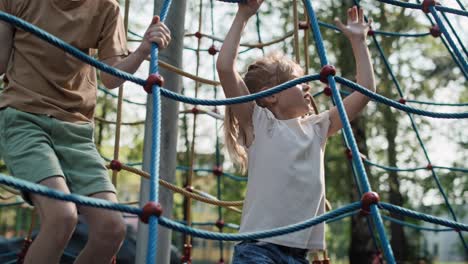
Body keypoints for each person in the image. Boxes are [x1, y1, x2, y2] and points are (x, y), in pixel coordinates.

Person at [0, 0, 171, 263]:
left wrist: (142, 50)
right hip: (25, 118)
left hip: (77, 131)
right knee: (61, 217)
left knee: (112, 229)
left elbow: (110, 77)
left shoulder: (106, 8)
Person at [216, 0, 375, 263]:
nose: (307, 85)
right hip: (259, 249)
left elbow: (365, 92)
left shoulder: (317, 128)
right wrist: (244, 15)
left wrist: (359, 42)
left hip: (300, 255)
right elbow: (225, 67)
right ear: (271, 96)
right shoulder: (259, 123)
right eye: (296, 80)